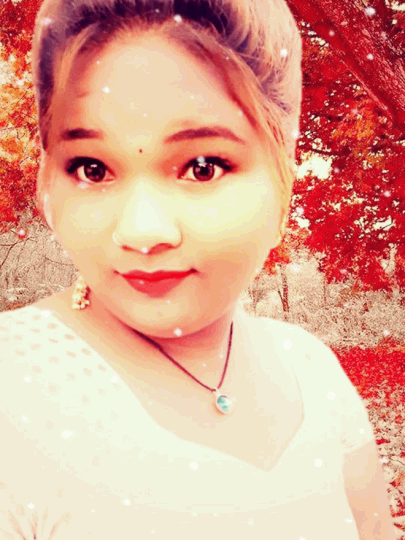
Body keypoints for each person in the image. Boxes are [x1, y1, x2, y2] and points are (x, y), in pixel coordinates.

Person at [0, 0, 395, 538]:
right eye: (92, 169)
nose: (141, 231)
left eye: (202, 167)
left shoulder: (313, 369)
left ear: (283, 182)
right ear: (48, 184)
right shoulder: (16, 389)